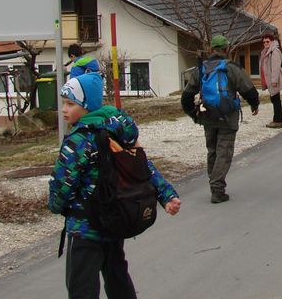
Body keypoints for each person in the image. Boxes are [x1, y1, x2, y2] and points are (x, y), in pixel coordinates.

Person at [49, 72, 181, 298]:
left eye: (70, 103)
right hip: (113, 219)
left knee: (82, 285)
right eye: (63, 103)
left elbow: (63, 182)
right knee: (117, 277)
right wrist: (166, 194)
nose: (64, 109)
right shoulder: (117, 131)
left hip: (84, 227)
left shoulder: (78, 140)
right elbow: (141, 165)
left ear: (87, 106)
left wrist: (56, 205)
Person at [181, 34, 260, 202]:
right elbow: (249, 90)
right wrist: (255, 105)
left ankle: (214, 185)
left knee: (213, 151)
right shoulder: (231, 67)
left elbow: (186, 97)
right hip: (227, 117)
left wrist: (193, 115)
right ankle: (217, 190)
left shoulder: (201, 69)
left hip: (207, 116)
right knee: (224, 152)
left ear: (211, 50)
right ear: (227, 49)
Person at [259, 32, 282, 128]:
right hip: (270, 80)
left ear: (272, 41)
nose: (265, 43)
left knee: (276, 100)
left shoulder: (274, 51)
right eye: (264, 42)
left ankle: (278, 121)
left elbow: (275, 67)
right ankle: (276, 119)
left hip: (273, 80)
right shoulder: (267, 51)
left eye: (267, 41)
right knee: (274, 99)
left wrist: (274, 81)